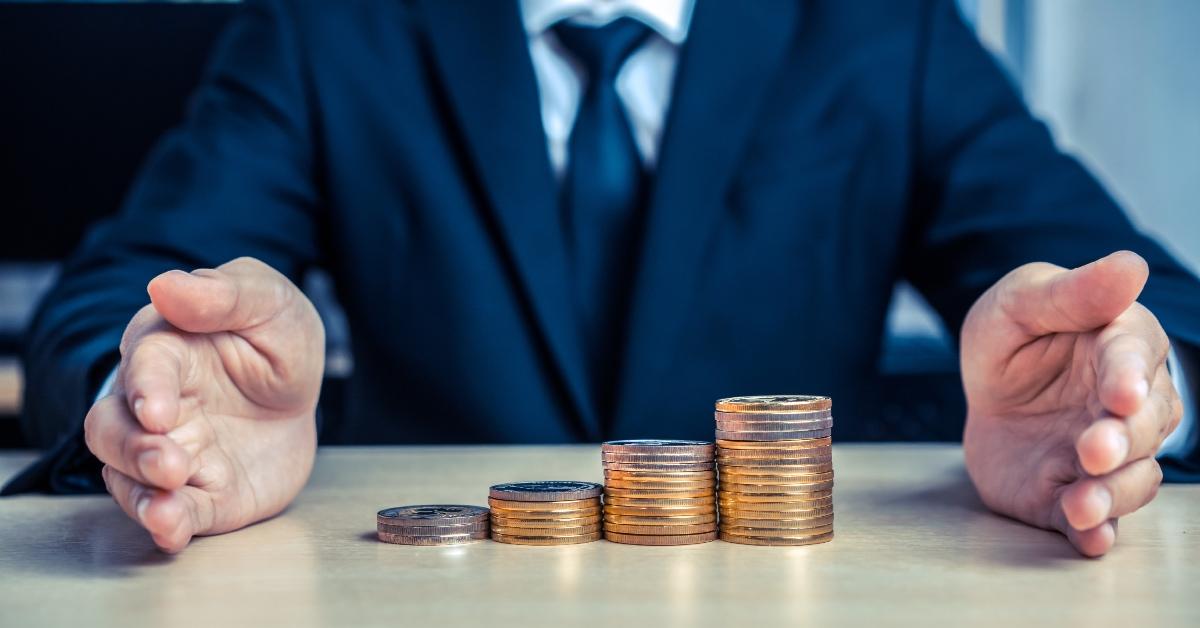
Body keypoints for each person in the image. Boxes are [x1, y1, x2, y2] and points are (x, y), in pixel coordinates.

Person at [12, 0, 1200, 556]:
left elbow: (1159, 312)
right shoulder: (332, 27)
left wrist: (1131, 383)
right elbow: (108, 294)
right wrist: (157, 387)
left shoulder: (886, 29)